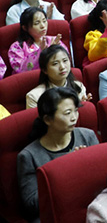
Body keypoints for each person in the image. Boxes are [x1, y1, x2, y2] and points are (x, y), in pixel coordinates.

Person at [18, 87, 99, 222]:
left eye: (76, 111)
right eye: (67, 113)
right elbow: (32, 204)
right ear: (48, 119)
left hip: (91, 207)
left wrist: (87, 167)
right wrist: (69, 172)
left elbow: (105, 180)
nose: (74, 118)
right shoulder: (29, 156)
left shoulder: (87, 136)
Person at [26, 44, 89, 109]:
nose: (62, 67)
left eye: (65, 61)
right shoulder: (34, 97)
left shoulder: (78, 87)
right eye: (55, 63)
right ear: (45, 70)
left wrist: (83, 107)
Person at [8, 7, 62, 74]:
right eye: (37, 23)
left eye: (44, 21)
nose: (43, 26)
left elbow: (66, 62)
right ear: (25, 28)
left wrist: (54, 50)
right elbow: (20, 70)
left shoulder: (54, 40)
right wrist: (40, 52)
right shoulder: (17, 47)